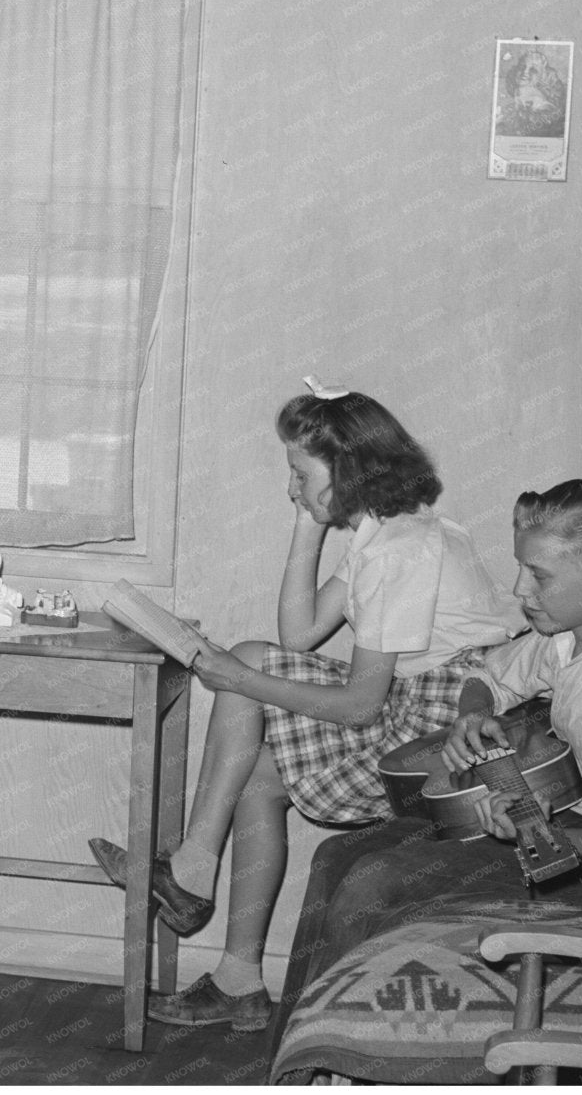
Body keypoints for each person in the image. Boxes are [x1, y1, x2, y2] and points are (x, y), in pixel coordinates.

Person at [88, 382, 517, 1031]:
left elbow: (359, 705)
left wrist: (238, 675)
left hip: (449, 738)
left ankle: (189, 871)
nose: (290, 485)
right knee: (256, 771)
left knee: (248, 663)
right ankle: (237, 979)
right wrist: (306, 521)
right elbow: (301, 633)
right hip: (418, 707)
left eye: (298, 473)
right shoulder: (383, 535)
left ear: (345, 468)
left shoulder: (403, 550)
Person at [285, 480, 582, 988]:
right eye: (520, 567)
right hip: (569, 820)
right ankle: (298, 1050)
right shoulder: (565, 638)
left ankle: (328, 1040)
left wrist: (541, 834)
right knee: (335, 854)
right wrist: (472, 713)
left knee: (373, 882)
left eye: (538, 574)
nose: (519, 589)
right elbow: (485, 676)